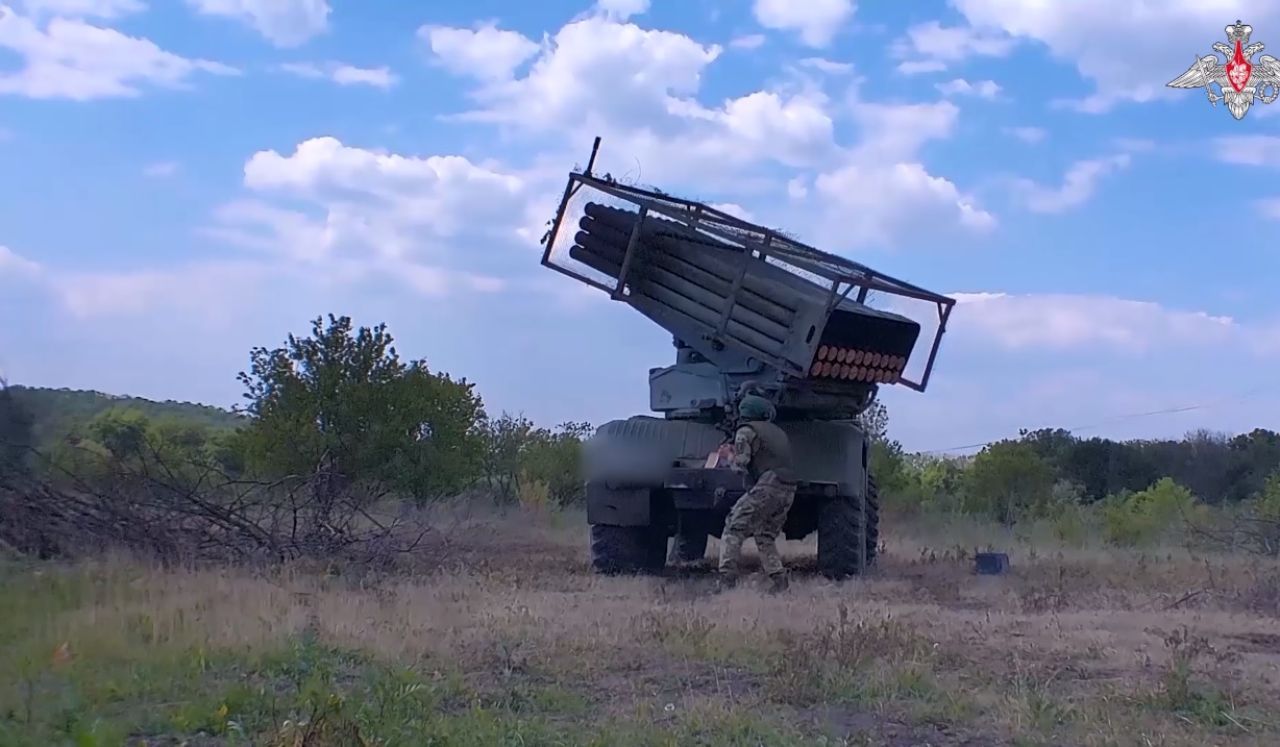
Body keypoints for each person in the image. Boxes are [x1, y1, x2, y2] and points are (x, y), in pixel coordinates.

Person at [717, 394, 797, 593]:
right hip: (788, 488)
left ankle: (726, 580)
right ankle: (779, 580)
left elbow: (741, 464)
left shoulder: (746, 431)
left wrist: (728, 456)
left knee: (734, 527)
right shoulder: (777, 432)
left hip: (768, 486)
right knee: (765, 534)